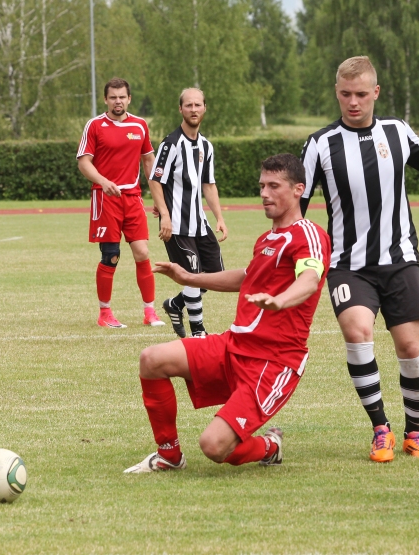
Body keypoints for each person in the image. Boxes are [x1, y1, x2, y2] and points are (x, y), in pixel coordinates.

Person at [300, 56, 419, 462]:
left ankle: (414, 432)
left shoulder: (397, 131)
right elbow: (297, 205)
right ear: (336, 93)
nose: (352, 102)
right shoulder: (319, 143)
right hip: (346, 263)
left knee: (410, 347)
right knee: (358, 333)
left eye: (360, 94)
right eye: (345, 94)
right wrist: (297, 254)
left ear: (375, 93)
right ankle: (380, 428)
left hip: (400, 259)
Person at [124, 154, 329, 473]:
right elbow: (248, 277)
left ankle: (269, 446)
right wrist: (189, 278)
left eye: (274, 186)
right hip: (234, 346)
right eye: (262, 185)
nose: (264, 193)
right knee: (152, 359)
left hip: (273, 363)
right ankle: (169, 456)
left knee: (214, 446)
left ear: (298, 189)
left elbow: (310, 278)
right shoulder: (267, 239)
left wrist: (281, 301)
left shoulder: (308, 235)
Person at [77, 78, 165, 329]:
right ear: (106, 99)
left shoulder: (139, 125)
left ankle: (150, 312)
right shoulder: (95, 125)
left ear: (129, 99)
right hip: (105, 199)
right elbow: (84, 162)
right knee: (111, 256)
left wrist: (158, 198)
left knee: (143, 252)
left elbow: (149, 162)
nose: (118, 101)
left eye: (122, 97)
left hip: (133, 198)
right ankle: (105, 313)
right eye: (113, 97)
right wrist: (103, 182)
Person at [148, 88, 228, 338]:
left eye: (198, 105)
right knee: (192, 276)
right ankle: (198, 332)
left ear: (205, 108)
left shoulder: (206, 146)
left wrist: (220, 218)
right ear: (180, 109)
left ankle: (175, 304)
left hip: (200, 224)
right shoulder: (171, 144)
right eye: (189, 105)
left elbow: (209, 184)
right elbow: (155, 180)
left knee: (216, 276)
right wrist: (165, 214)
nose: (194, 109)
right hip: (177, 225)